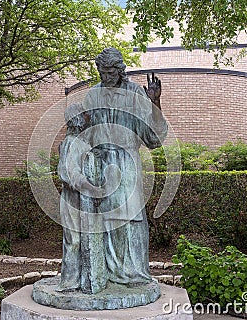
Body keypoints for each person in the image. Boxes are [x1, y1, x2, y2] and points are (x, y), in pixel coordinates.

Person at [81, 47, 168, 288]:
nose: (104, 77)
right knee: (106, 219)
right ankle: (106, 273)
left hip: (127, 162)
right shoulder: (92, 95)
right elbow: (85, 134)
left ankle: (133, 273)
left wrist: (155, 103)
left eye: (109, 72)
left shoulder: (134, 94)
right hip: (101, 164)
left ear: (120, 71)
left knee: (131, 218)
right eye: (101, 72)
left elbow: (153, 139)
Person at [56, 103, 104, 292]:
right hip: (72, 199)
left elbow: (88, 166)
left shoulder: (83, 143)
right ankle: (69, 282)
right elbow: (69, 174)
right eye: (84, 115)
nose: (88, 117)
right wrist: (92, 189)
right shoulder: (70, 143)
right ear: (76, 119)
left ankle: (86, 280)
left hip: (84, 201)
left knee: (86, 241)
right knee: (73, 240)